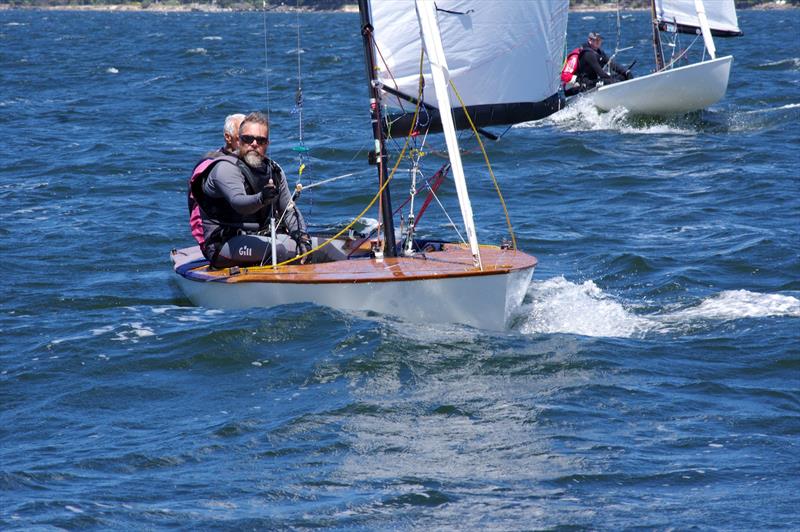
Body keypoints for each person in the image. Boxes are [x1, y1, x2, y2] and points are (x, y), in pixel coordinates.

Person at [192, 111, 312, 268]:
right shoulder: (225, 168)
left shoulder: (274, 170)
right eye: (248, 139)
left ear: (267, 144)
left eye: (260, 140)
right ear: (239, 141)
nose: (254, 143)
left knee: (314, 246)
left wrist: (302, 236)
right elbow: (238, 202)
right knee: (278, 249)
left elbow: (288, 210)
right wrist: (262, 198)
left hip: (263, 238)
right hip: (224, 245)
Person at [188, 113, 246, 248]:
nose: (249, 144)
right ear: (228, 137)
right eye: (242, 138)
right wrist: (208, 245)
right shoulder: (208, 166)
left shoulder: (251, 162)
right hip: (220, 240)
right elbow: (197, 212)